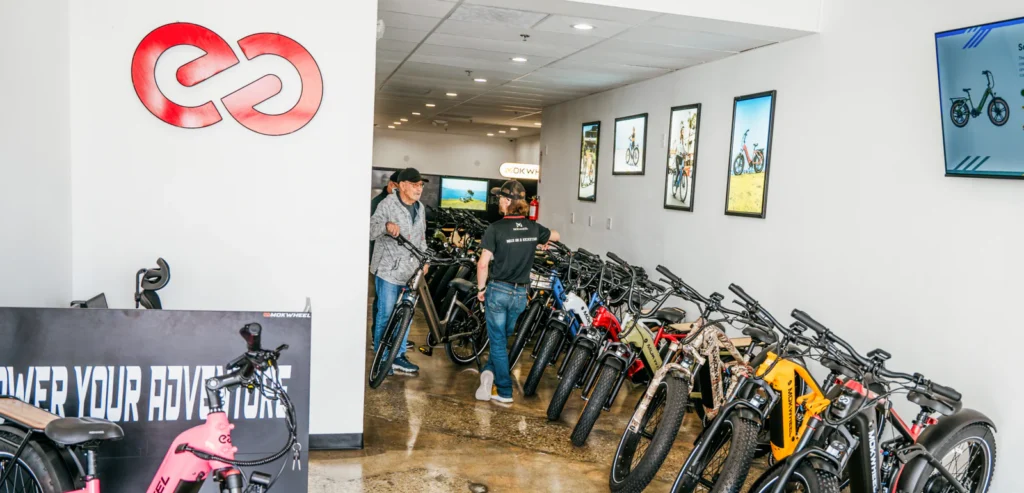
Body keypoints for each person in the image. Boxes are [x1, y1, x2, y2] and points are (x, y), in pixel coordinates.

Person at [474, 180, 560, 404]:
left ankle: (504, 391)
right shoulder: (533, 228)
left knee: (498, 342)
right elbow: (556, 235)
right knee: (502, 338)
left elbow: (483, 264)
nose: (498, 202)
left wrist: (481, 289)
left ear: (506, 201)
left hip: (498, 291)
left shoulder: (495, 228)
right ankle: (489, 373)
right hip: (520, 296)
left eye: (500, 198)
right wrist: (541, 242)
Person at [369, 168, 429, 374]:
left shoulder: (420, 208)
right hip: (388, 271)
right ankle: (382, 359)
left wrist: (424, 259)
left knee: (407, 316)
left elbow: (422, 238)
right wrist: (386, 225)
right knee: (386, 315)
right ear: (402, 185)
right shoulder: (387, 204)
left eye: (421, 185)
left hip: (411, 272)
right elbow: (370, 230)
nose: (419, 189)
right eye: (415, 184)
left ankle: (398, 356)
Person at [369, 170, 400, 260]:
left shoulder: (399, 203)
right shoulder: (378, 203)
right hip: (380, 259)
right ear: (391, 184)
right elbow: (372, 232)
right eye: (400, 188)